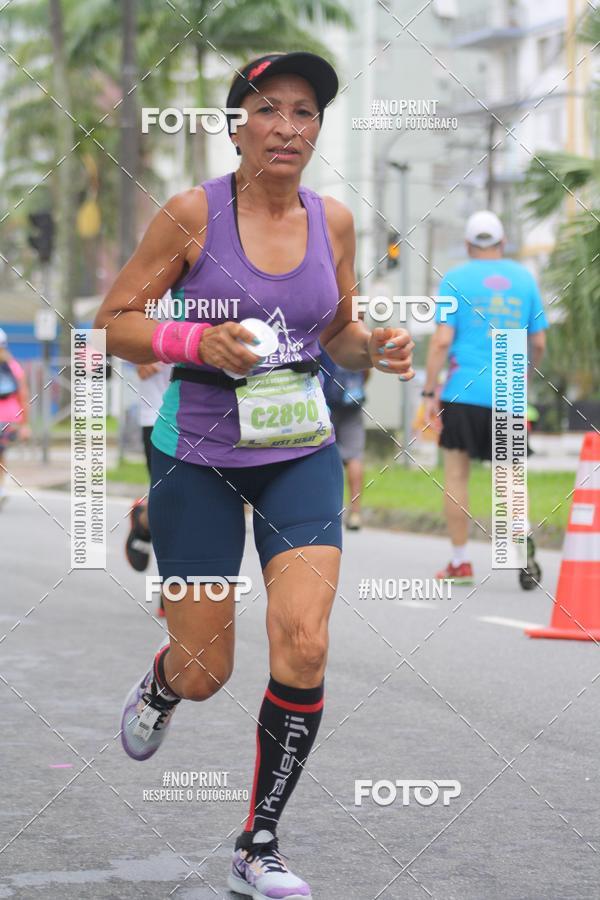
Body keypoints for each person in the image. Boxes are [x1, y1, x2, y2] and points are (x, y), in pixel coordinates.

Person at [94, 52, 414, 900]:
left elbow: (338, 333)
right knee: (207, 672)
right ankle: (164, 683)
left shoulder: (333, 220)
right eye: (268, 110)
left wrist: (375, 347)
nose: (287, 127)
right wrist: (194, 341)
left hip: (298, 452)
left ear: (316, 129)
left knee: (305, 642)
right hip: (195, 455)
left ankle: (259, 841)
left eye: (304, 113)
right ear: (238, 124)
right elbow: (116, 321)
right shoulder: (193, 213)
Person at [423, 210, 548, 589]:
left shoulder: (455, 279)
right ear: (503, 242)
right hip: (508, 386)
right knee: (508, 475)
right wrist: (524, 372)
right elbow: (539, 342)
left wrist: (430, 391)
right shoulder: (525, 279)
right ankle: (520, 535)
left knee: (457, 475)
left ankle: (460, 563)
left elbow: (442, 340)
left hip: (463, 390)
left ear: (467, 245)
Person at [125, 360, 172, 579]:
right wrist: (136, 355)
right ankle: (172, 590)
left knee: (209, 505)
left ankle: (144, 519)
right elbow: (105, 331)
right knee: (175, 504)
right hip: (159, 414)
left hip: (219, 415)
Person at [321, 347, 369, 530]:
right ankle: (355, 513)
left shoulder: (319, 328)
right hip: (351, 401)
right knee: (354, 456)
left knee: (319, 456)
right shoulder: (354, 325)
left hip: (323, 403)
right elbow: (366, 368)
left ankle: (325, 512)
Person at [0, 328, 31, 508]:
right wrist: (25, 423)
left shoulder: (12, 367)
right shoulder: (13, 366)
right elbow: (24, 395)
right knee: (1, 454)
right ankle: (1, 488)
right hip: (10, 417)